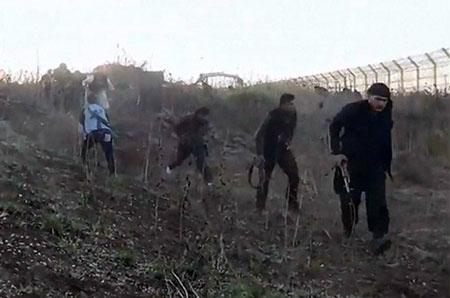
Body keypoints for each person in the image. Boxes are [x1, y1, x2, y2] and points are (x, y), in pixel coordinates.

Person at [329, 82, 393, 255]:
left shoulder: (386, 113)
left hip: (376, 165)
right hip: (351, 164)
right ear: (368, 96)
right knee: (350, 201)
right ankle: (348, 232)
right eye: (378, 99)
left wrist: (386, 163)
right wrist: (336, 152)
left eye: (385, 101)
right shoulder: (353, 110)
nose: (381, 104)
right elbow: (334, 127)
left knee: (378, 201)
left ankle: (378, 238)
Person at [254, 93, 300, 213]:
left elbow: (291, 131)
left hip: (283, 149)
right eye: (290, 103)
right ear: (283, 104)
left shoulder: (293, 115)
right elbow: (258, 135)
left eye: (293, 103)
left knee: (294, 175)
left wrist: (287, 142)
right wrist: (259, 154)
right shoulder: (273, 115)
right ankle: (260, 207)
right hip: (268, 149)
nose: (293, 106)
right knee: (265, 178)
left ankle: (292, 204)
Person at [166, 107, 213, 185]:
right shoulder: (188, 118)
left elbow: (207, 133)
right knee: (179, 160)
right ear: (198, 113)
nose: (203, 117)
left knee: (201, 163)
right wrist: (182, 136)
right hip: (185, 144)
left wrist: (205, 140)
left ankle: (209, 181)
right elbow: (177, 127)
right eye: (202, 115)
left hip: (198, 145)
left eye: (204, 116)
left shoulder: (205, 123)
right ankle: (169, 168)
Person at [79, 84, 116, 176]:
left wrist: (82, 137)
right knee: (109, 153)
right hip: (105, 132)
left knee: (84, 151)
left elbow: (80, 126)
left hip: (92, 134)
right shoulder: (102, 109)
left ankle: (85, 167)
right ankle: (112, 173)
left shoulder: (85, 110)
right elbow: (107, 121)